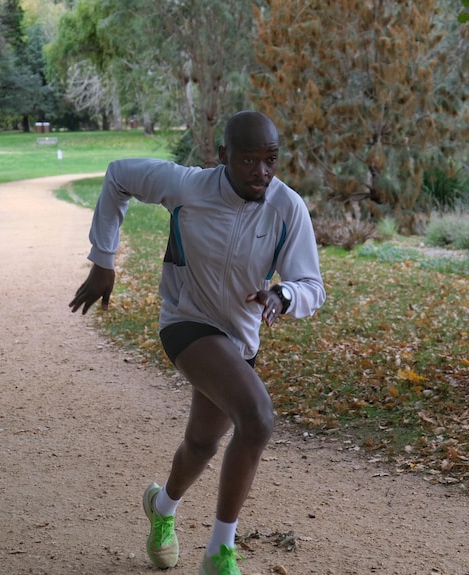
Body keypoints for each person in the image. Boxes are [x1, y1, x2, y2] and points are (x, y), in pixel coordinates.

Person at [69, 110, 325, 575]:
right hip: (186, 322)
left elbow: (311, 283)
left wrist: (282, 295)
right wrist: (104, 259)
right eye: (249, 161)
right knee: (258, 417)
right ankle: (220, 552)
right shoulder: (187, 186)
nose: (261, 172)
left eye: (270, 160)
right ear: (222, 156)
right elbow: (117, 176)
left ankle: (161, 508)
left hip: (241, 341)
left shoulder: (287, 207)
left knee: (203, 443)